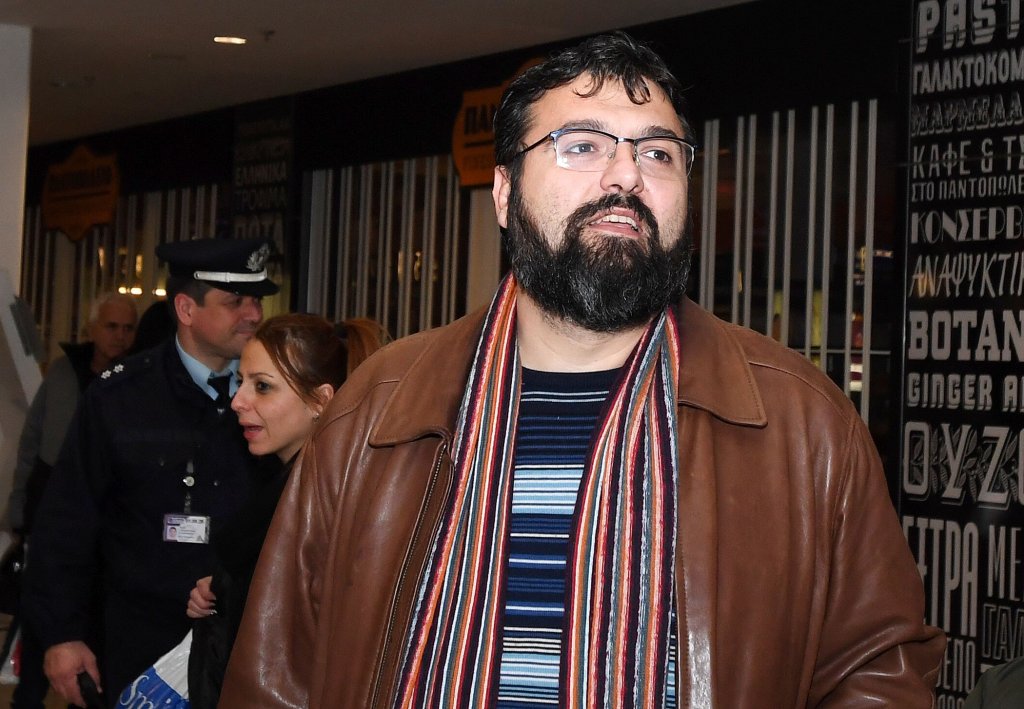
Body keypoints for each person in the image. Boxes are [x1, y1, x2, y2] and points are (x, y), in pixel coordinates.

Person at [219, 33, 946, 708]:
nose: (626, 174)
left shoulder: (800, 421)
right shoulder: (378, 409)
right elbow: (278, 673)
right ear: (504, 192)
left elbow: (878, 670)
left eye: (658, 153)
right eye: (582, 146)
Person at [23, 238, 278, 709]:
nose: (254, 314)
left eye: (257, 300)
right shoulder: (121, 397)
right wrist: (62, 635)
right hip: (141, 643)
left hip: (248, 645)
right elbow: (67, 522)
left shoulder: (277, 396)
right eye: (235, 301)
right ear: (186, 308)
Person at [183, 315, 388, 709]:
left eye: (262, 386)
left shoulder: (328, 505)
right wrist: (222, 591)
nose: (238, 401)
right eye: (241, 381)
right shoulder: (293, 487)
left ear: (321, 401)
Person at [6, 292, 137, 709]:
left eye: (128, 328)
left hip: (108, 523)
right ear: (92, 329)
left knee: (94, 620)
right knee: (40, 614)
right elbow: (32, 442)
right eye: (111, 326)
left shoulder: (136, 380)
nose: (119, 336)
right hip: (52, 511)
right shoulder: (64, 373)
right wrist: (19, 510)